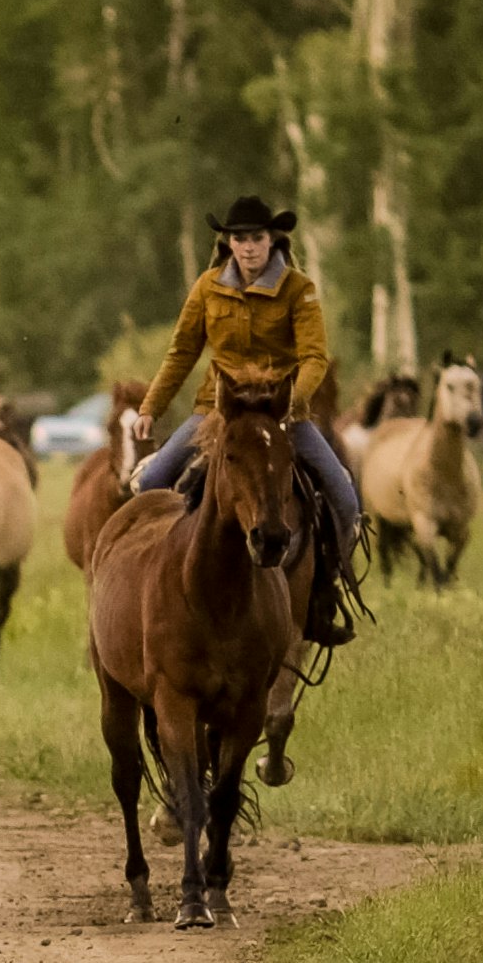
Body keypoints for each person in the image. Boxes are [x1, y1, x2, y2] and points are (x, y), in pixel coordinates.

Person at [123, 196, 359, 643]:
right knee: (151, 482)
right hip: (218, 411)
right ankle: (154, 594)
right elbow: (182, 352)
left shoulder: (299, 289)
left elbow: (314, 358)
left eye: (256, 238)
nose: (248, 247)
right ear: (228, 243)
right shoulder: (208, 287)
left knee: (344, 497)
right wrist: (150, 408)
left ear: (272, 241)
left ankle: (321, 595)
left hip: (283, 412)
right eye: (240, 238)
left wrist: (292, 403)